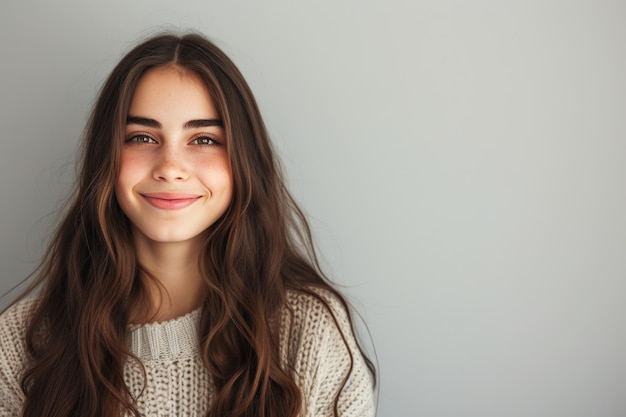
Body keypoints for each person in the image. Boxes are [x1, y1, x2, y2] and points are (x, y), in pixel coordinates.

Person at [0, 32, 375, 417]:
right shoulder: (19, 345)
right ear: (105, 158)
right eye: (142, 137)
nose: (170, 168)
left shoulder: (308, 333)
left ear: (243, 160)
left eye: (204, 139)